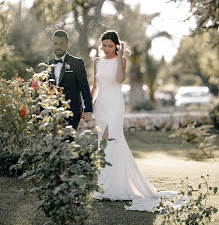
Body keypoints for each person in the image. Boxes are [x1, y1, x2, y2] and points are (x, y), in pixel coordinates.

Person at [92, 30, 187, 211]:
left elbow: (120, 79)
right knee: (102, 141)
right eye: (104, 45)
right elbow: (95, 86)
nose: (106, 49)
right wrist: (89, 106)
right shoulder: (96, 62)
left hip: (116, 104)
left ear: (117, 46)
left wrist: (119, 58)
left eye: (110, 46)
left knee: (114, 140)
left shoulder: (122, 61)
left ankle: (113, 187)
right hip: (101, 105)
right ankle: (105, 184)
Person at [49, 29, 92, 129]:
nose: (58, 46)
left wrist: (88, 110)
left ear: (67, 45)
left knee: (68, 143)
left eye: (61, 44)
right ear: (52, 45)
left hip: (72, 113)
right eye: (56, 44)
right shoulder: (48, 65)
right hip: (52, 113)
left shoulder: (77, 63)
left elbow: (84, 87)